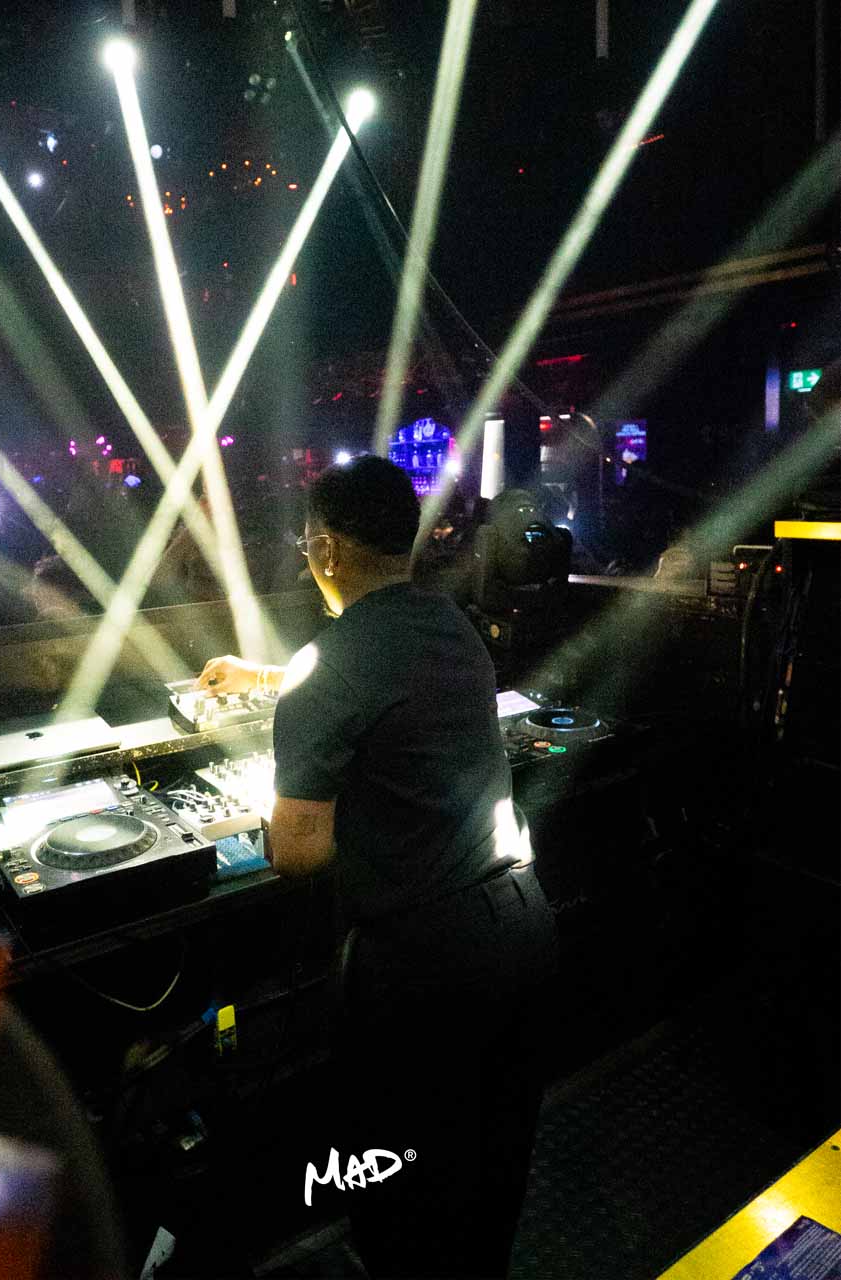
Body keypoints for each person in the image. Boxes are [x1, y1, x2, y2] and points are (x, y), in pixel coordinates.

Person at [197, 456, 557, 1279]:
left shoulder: (329, 669)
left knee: (402, 1177)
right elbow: (375, 679)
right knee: (493, 1159)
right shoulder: (449, 623)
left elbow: (298, 853)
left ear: (325, 548)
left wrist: (261, 804)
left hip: (426, 962)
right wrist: (266, 676)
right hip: (524, 928)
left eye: (305, 543)